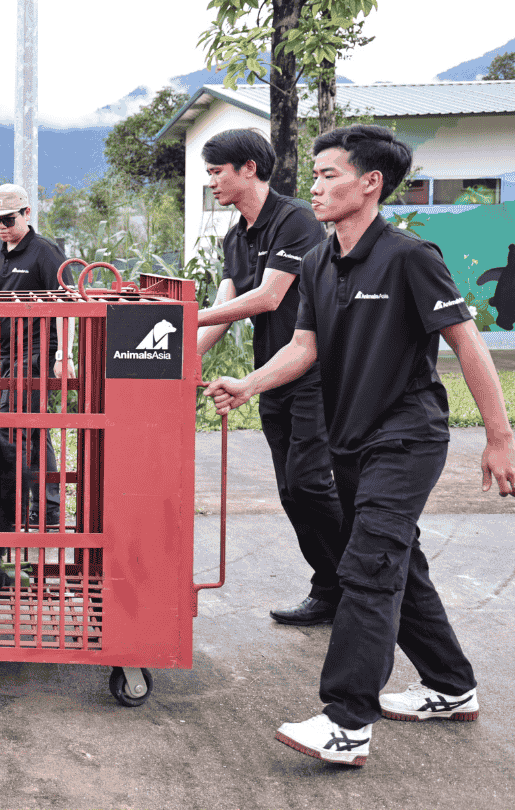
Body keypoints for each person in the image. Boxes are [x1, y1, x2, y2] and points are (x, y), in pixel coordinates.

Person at [207, 124, 515, 767]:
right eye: (315, 176)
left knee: (367, 567)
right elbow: (303, 348)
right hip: (348, 439)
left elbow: (467, 343)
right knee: (400, 565)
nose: (315, 188)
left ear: (370, 183)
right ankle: (452, 688)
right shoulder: (319, 259)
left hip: (406, 435)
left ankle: (347, 721)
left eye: (329, 175)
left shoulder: (409, 256)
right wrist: (247, 384)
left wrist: (499, 436)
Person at [196, 129, 346, 626]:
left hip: (314, 370)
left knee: (310, 482)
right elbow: (223, 309)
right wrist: (179, 358)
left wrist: (182, 318)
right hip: (271, 371)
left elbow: (269, 297)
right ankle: (330, 587)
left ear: (249, 169)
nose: (211, 181)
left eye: (218, 171)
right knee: (290, 489)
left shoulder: (295, 219)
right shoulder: (235, 236)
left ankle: (362, 583)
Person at [0, 183, 70, 530]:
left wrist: (63, 353)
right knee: (30, 430)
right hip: (4, 352)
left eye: (7, 219)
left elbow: (67, 303)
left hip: (35, 352)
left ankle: (36, 509)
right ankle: (42, 509)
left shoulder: (44, 252)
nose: (1, 226)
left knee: (22, 431)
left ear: (27, 214)